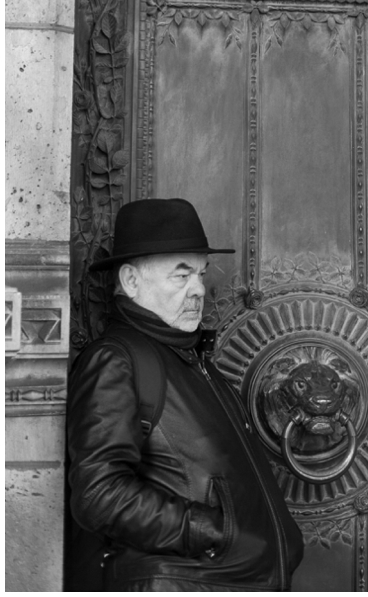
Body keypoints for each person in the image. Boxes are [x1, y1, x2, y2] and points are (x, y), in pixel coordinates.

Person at [68, 198, 304, 592]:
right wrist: (214, 531)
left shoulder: (190, 358)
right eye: (181, 276)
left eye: (200, 274)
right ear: (130, 281)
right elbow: (99, 495)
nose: (199, 290)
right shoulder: (117, 361)